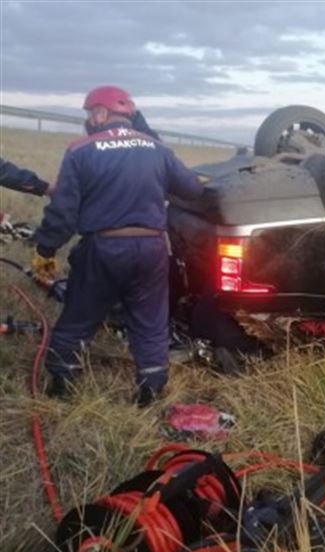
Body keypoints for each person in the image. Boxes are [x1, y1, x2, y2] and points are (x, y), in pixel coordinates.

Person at [31, 85, 205, 406]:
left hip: (103, 248)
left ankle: (61, 383)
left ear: (100, 113)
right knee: (150, 320)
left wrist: (45, 249)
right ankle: (150, 388)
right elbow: (193, 190)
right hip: (152, 249)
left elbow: (63, 212)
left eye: (89, 114)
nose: (88, 120)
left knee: (79, 314)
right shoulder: (158, 149)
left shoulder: (80, 150)